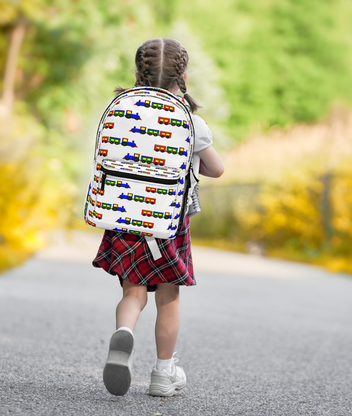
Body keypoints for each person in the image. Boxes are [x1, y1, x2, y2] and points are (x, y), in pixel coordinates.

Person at [92, 38, 224, 397]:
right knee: (169, 297)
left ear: (139, 73)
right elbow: (217, 169)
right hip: (168, 223)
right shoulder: (191, 122)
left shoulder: (122, 110)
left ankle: (126, 333)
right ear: (183, 75)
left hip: (124, 214)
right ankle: (164, 374)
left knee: (133, 291)